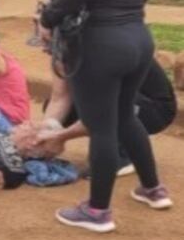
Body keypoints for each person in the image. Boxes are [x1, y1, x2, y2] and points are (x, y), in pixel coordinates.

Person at [40, 0, 171, 233]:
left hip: (103, 43)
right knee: (124, 116)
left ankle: (97, 212)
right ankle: (152, 189)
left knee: (101, 127)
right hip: (138, 39)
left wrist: (50, 15)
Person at [38, 57, 177, 175]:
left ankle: (124, 153)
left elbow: (101, 109)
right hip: (121, 99)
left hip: (156, 110)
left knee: (97, 101)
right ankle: (113, 142)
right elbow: (59, 98)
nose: (44, 46)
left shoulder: (103, 49)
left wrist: (60, 137)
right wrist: (43, 134)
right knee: (64, 110)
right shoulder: (63, 49)